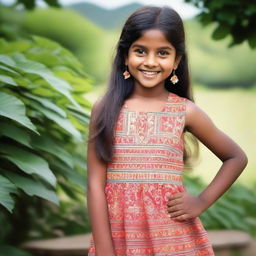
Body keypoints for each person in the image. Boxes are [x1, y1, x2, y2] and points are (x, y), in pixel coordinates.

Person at [86, 5, 248, 256]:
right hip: (120, 243)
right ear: (126, 55)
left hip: (175, 241)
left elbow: (236, 157)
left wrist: (201, 202)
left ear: (177, 60)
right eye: (140, 51)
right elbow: (95, 186)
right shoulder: (105, 108)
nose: (150, 61)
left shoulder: (186, 111)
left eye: (162, 53)